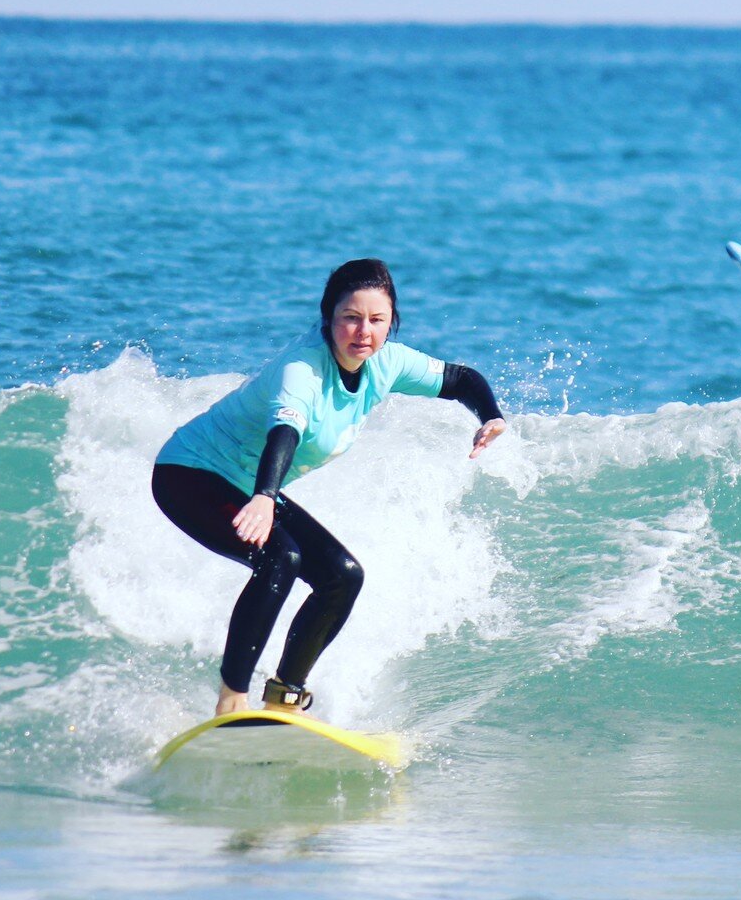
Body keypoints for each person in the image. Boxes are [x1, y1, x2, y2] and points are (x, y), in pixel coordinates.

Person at [152, 259, 506, 717]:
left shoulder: (388, 362)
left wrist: (490, 416)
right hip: (190, 472)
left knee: (342, 577)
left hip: (251, 484)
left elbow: (461, 380)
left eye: (377, 320)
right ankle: (231, 701)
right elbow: (286, 429)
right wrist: (263, 496)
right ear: (328, 318)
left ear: (391, 322)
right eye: (350, 318)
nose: (363, 332)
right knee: (281, 556)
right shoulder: (303, 369)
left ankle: (284, 697)